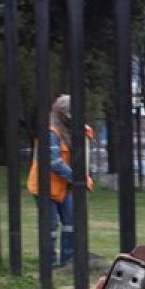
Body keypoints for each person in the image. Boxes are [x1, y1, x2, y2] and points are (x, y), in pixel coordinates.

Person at [27, 94, 94, 268]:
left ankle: (68, 261)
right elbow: (54, 162)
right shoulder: (51, 133)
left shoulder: (71, 132)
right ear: (61, 114)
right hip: (45, 187)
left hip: (64, 187)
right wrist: (78, 178)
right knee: (50, 225)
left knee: (71, 222)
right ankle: (48, 262)